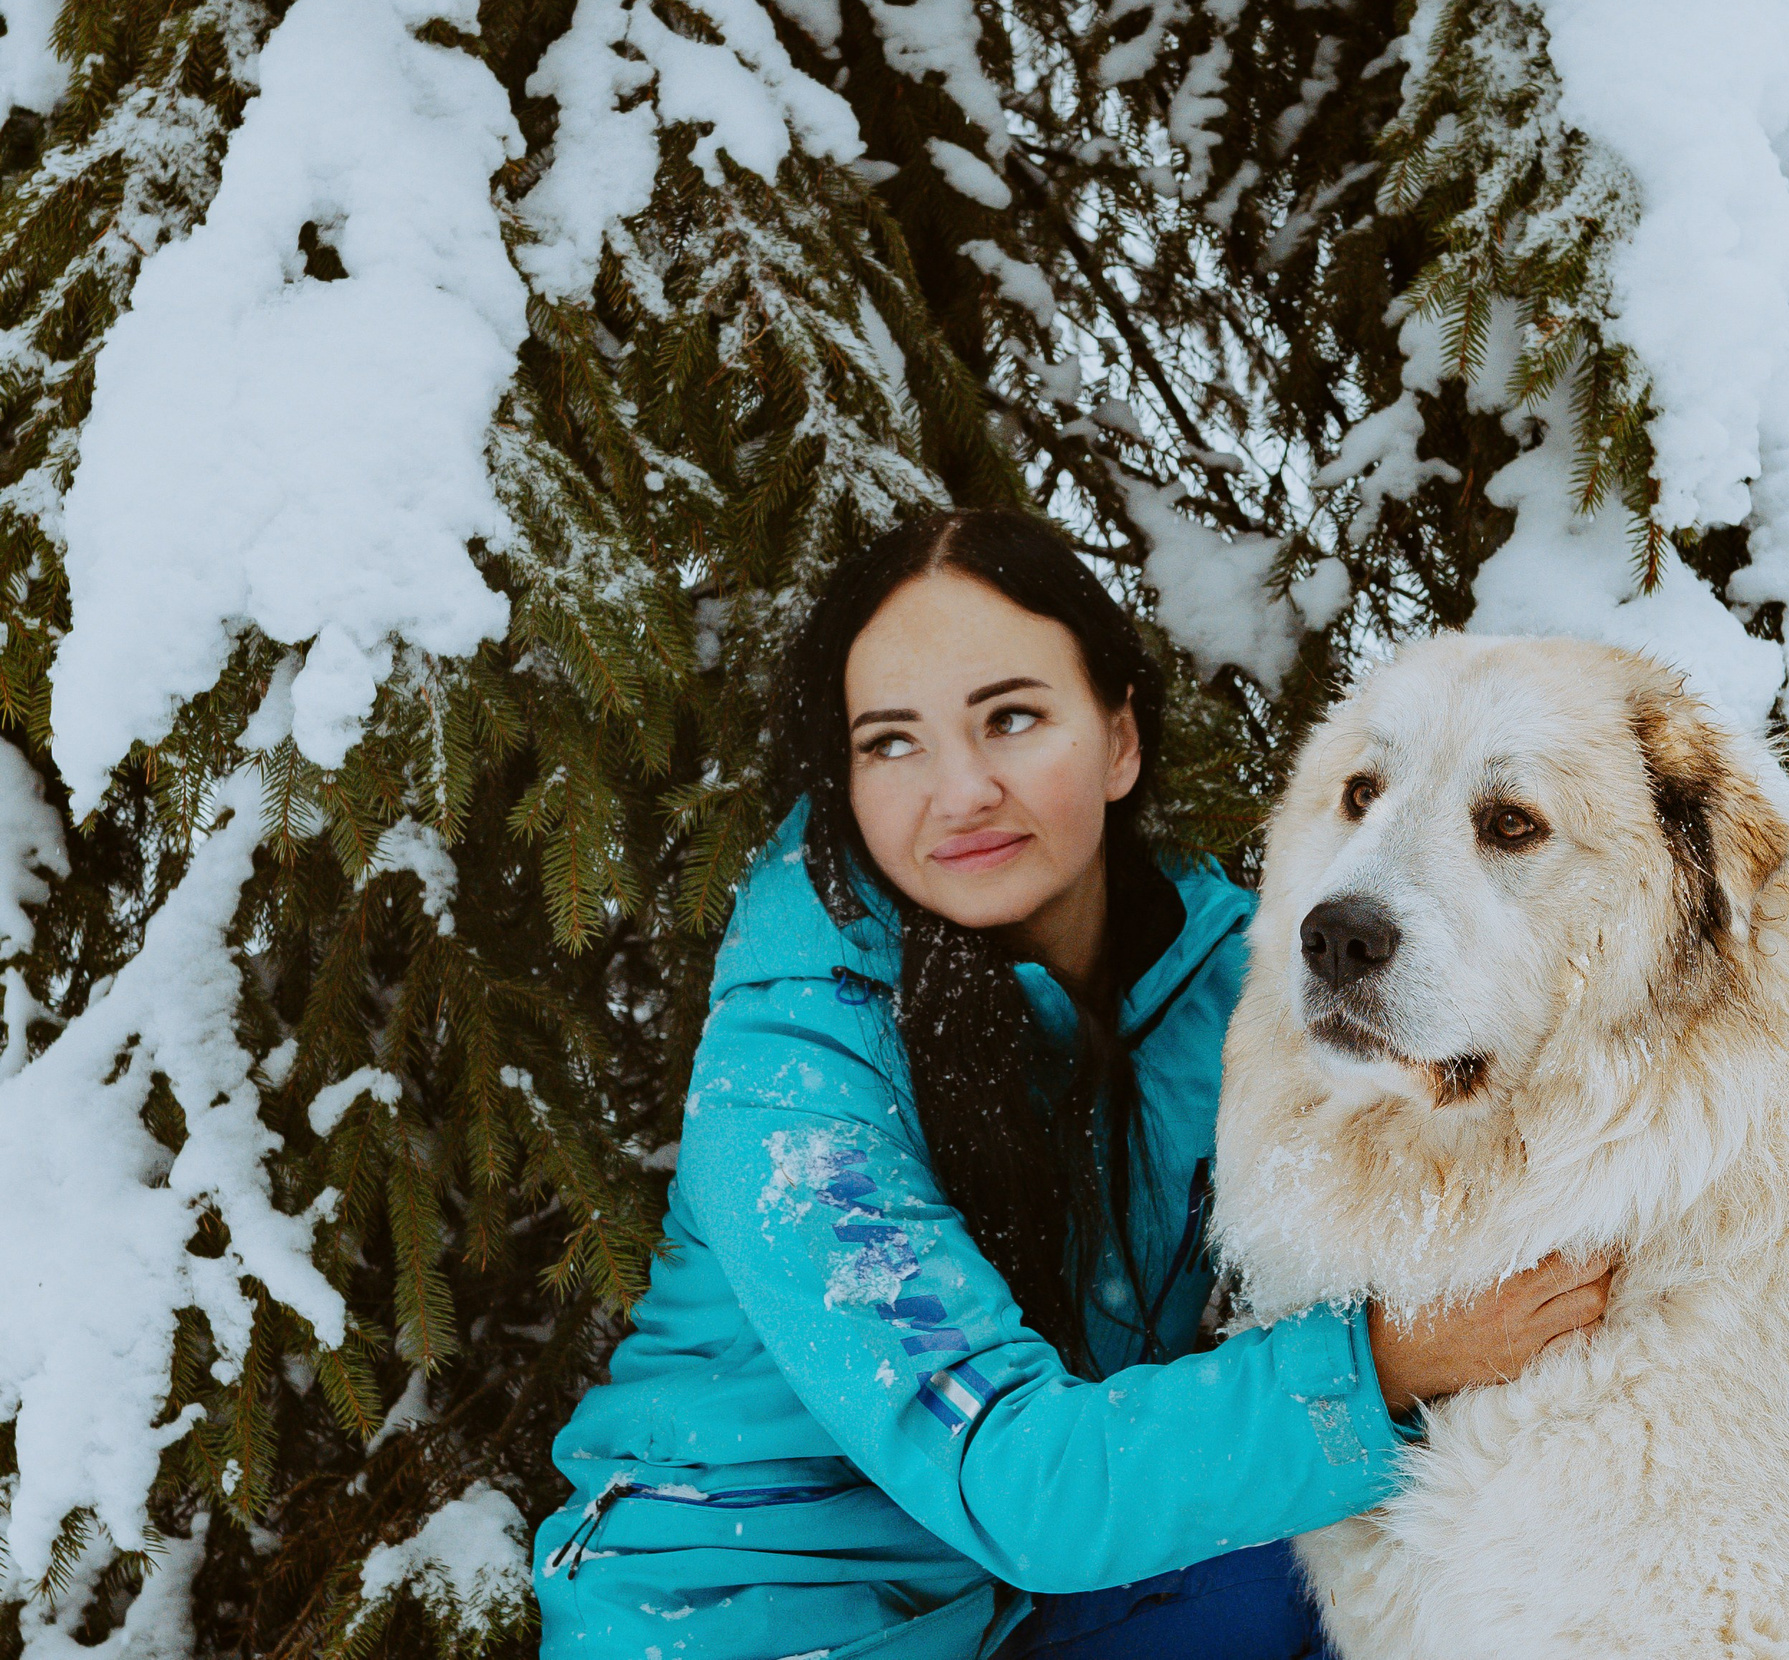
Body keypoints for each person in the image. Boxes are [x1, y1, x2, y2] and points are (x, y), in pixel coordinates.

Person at [530, 510, 1612, 1660]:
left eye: (1009, 717)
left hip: (1014, 1614)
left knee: (1386, 1561)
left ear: (1118, 741)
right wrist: (1391, 1354)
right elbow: (1016, 1480)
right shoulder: (795, 1057)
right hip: (739, 1625)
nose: (960, 790)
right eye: (891, 741)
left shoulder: (1226, 979)